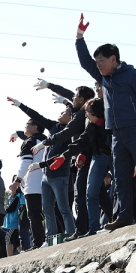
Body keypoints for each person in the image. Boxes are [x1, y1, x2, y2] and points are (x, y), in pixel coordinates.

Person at [75, 13, 136, 229]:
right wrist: (79, 37)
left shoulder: (132, 75)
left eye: (101, 61)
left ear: (114, 59)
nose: (97, 65)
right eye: (96, 62)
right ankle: (124, 216)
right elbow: (84, 62)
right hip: (116, 133)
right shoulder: (103, 79)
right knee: (121, 176)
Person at [31, 80, 96, 237]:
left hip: (86, 156)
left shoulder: (81, 115)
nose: (72, 99)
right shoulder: (80, 109)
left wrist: (45, 143)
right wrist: (49, 86)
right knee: (90, 194)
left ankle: (83, 230)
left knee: (81, 197)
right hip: (79, 157)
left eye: (75, 98)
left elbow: (67, 133)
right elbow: (68, 94)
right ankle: (82, 229)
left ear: (81, 100)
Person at [45, 98, 113, 239]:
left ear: (96, 112)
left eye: (88, 112)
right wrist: (64, 156)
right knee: (91, 193)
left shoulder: (111, 121)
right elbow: (82, 141)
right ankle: (94, 228)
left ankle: (124, 219)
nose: (86, 115)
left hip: (115, 155)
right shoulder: (90, 125)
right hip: (98, 157)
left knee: (122, 186)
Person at [7, 97, 75, 238]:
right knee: (47, 210)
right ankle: (50, 237)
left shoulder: (70, 131)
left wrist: (66, 102)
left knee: (63, 208)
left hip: (60, 174)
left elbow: (59, 153)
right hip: (45, 176)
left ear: (71, 117)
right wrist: (20, 105)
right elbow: (36, 116)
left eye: (66, 112)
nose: (61, 113)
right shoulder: (53, 126)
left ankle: (71, 234)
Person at [8, 119, 47, 249]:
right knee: (50, 213)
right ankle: (53, 237)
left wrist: (17, 181)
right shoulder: (46, 140)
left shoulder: (29, 142)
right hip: (48, 181)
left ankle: (38, 243)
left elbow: (26, 163)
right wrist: (16, 134)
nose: (24, 128)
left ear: (35, 127)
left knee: (34, 216)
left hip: (33, 184)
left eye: (26, 125)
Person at [3, 175, 26, 256]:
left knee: (8, 238)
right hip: (8, 222)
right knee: (14, 240)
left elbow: (16, 208)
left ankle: (9, 257)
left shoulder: (21, 196)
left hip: (15, 221)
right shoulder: (10, 196)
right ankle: (22, 253)